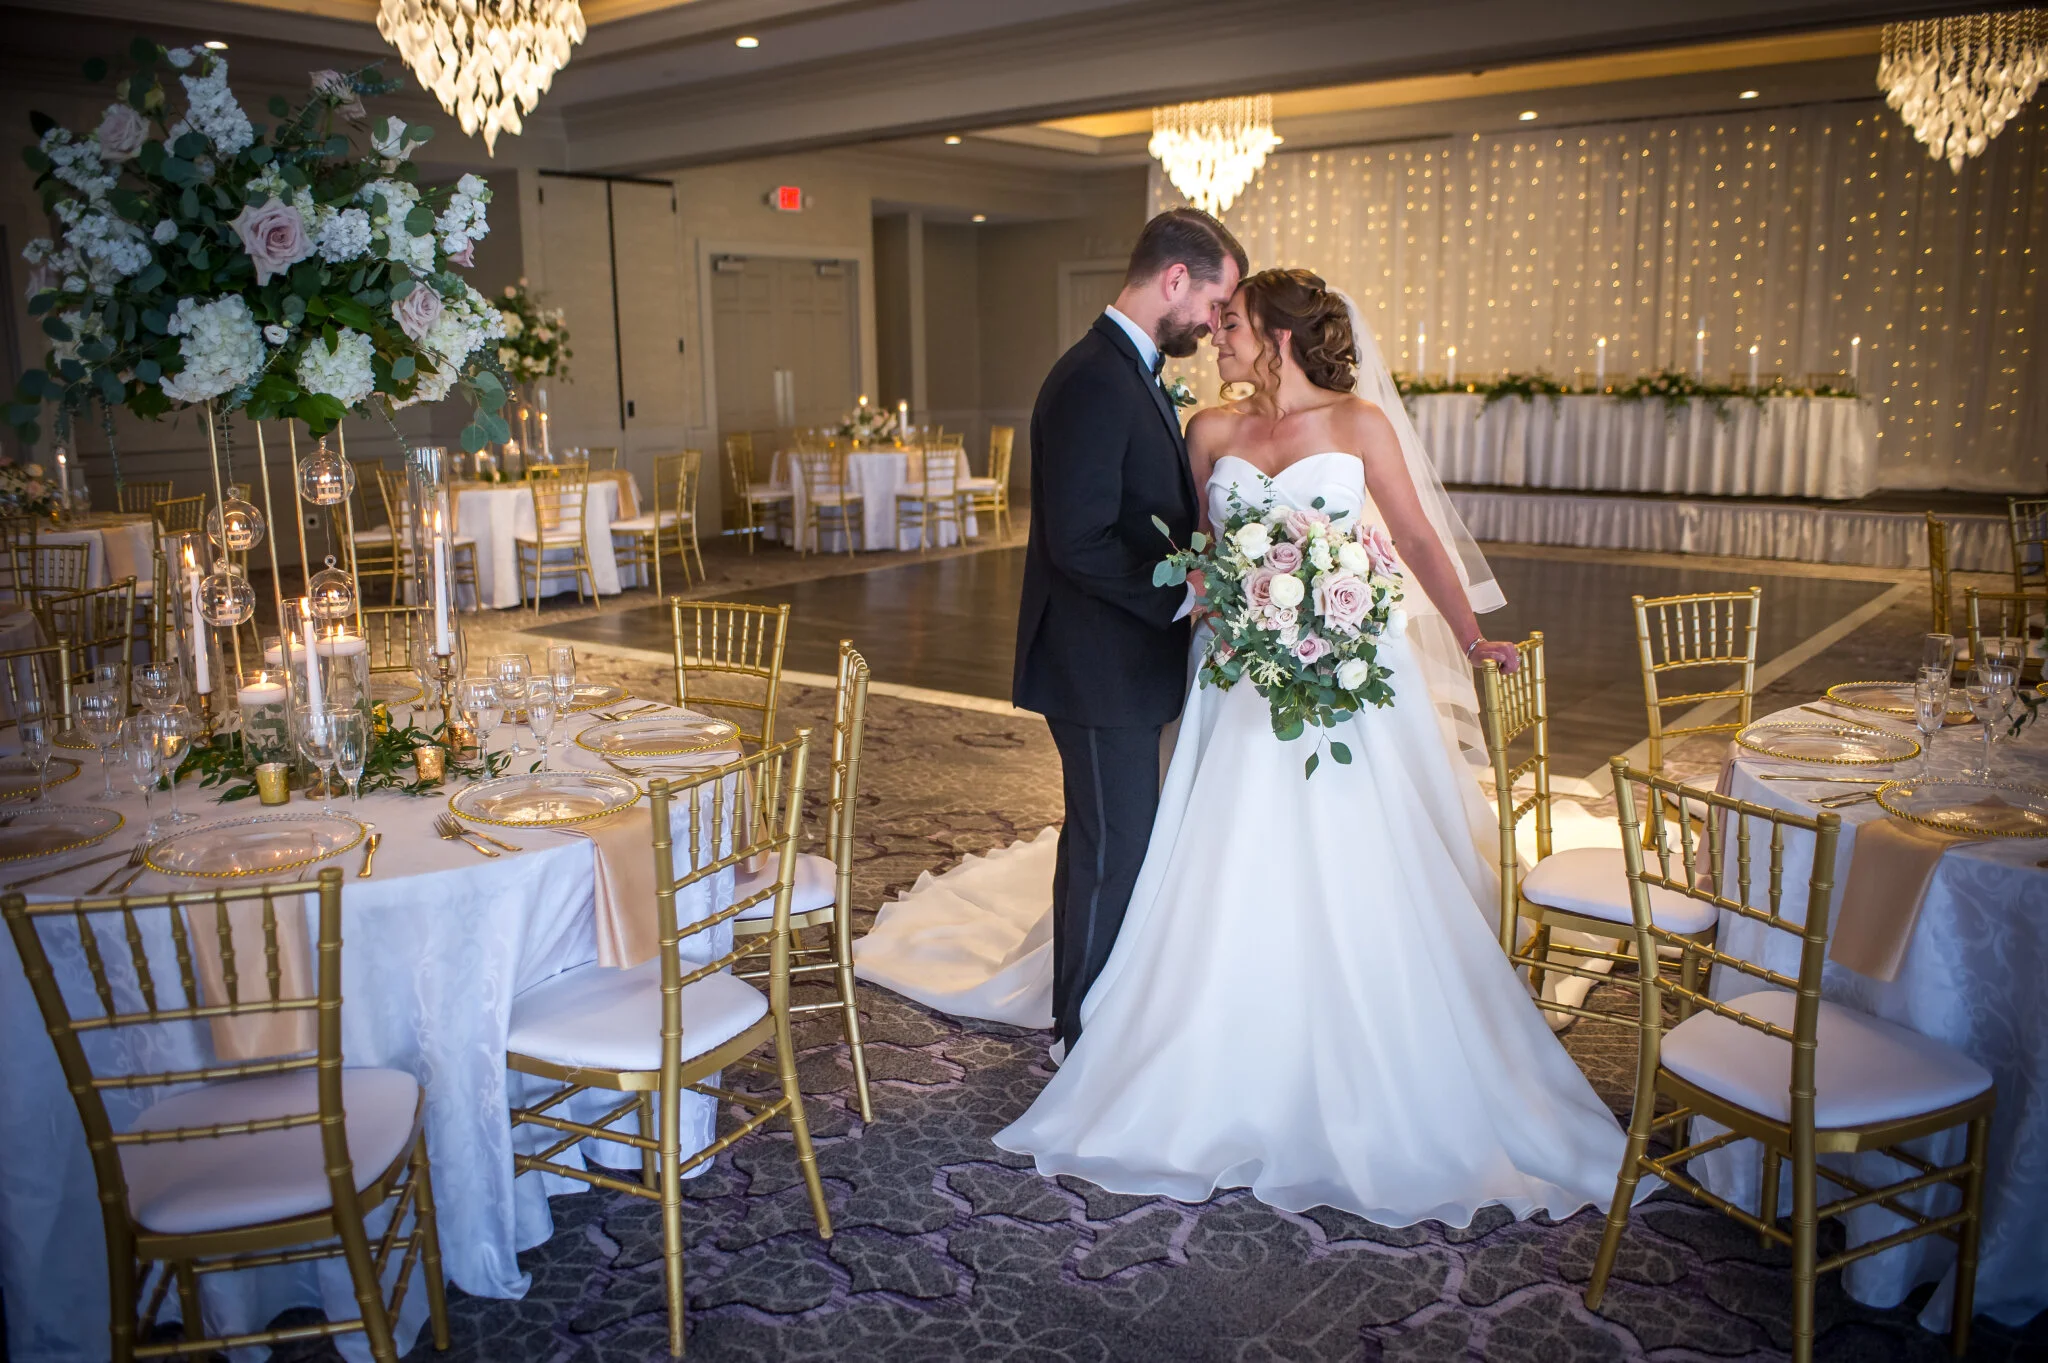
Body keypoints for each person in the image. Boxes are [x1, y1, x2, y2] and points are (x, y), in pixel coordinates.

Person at [859, 267, 1647, 1226]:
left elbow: (1418, 538)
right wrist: (1229, 609)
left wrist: (1474, 633)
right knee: (1217, 862)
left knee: (1356, 866)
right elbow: (1197, 550)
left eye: (1232, 325)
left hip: (1346, 692)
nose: (1219, 338)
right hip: (1235, 687)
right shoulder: (1211, 433)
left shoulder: (1359, 427)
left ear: (1276, 336)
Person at [1008, 208, 1246, 1058]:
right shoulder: (1092, 379)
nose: (1214, 325)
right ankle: (1084, 1036)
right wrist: (1182, 595)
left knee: (1102, 841)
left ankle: (1077, 1013)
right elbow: (1077, 541)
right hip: (1094, 666)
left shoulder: (1127, 369)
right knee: (1116, 846)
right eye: (1214, 304)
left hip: (1115, 661)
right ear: (1174, 280)